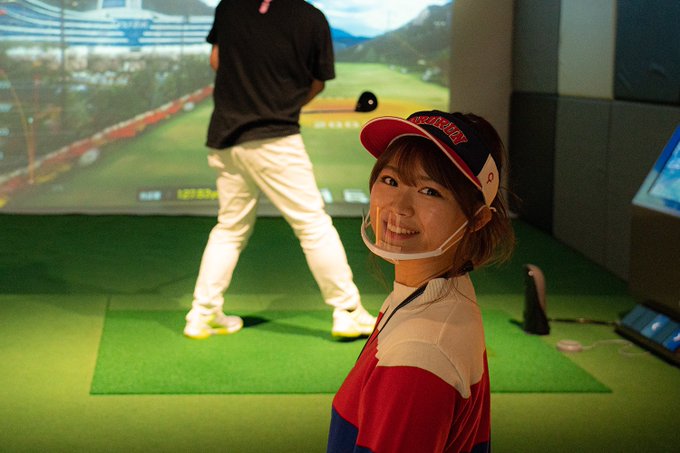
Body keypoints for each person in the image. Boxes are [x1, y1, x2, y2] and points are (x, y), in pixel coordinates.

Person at [183, 0, 375, 340]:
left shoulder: (229, 6)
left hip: (226, 137)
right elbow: (317, 83)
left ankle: (202, 314)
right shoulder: (311, 18)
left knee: (230, 228)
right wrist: (283, 102)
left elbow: (217, 61)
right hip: (275, 140)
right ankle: (347, 311)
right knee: (313, 225)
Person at [327, 110, 515, 452]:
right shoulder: (440, 291)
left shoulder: (419, 354)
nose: (398, 206)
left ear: (477, 219)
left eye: (429, 191)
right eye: (390, 180)